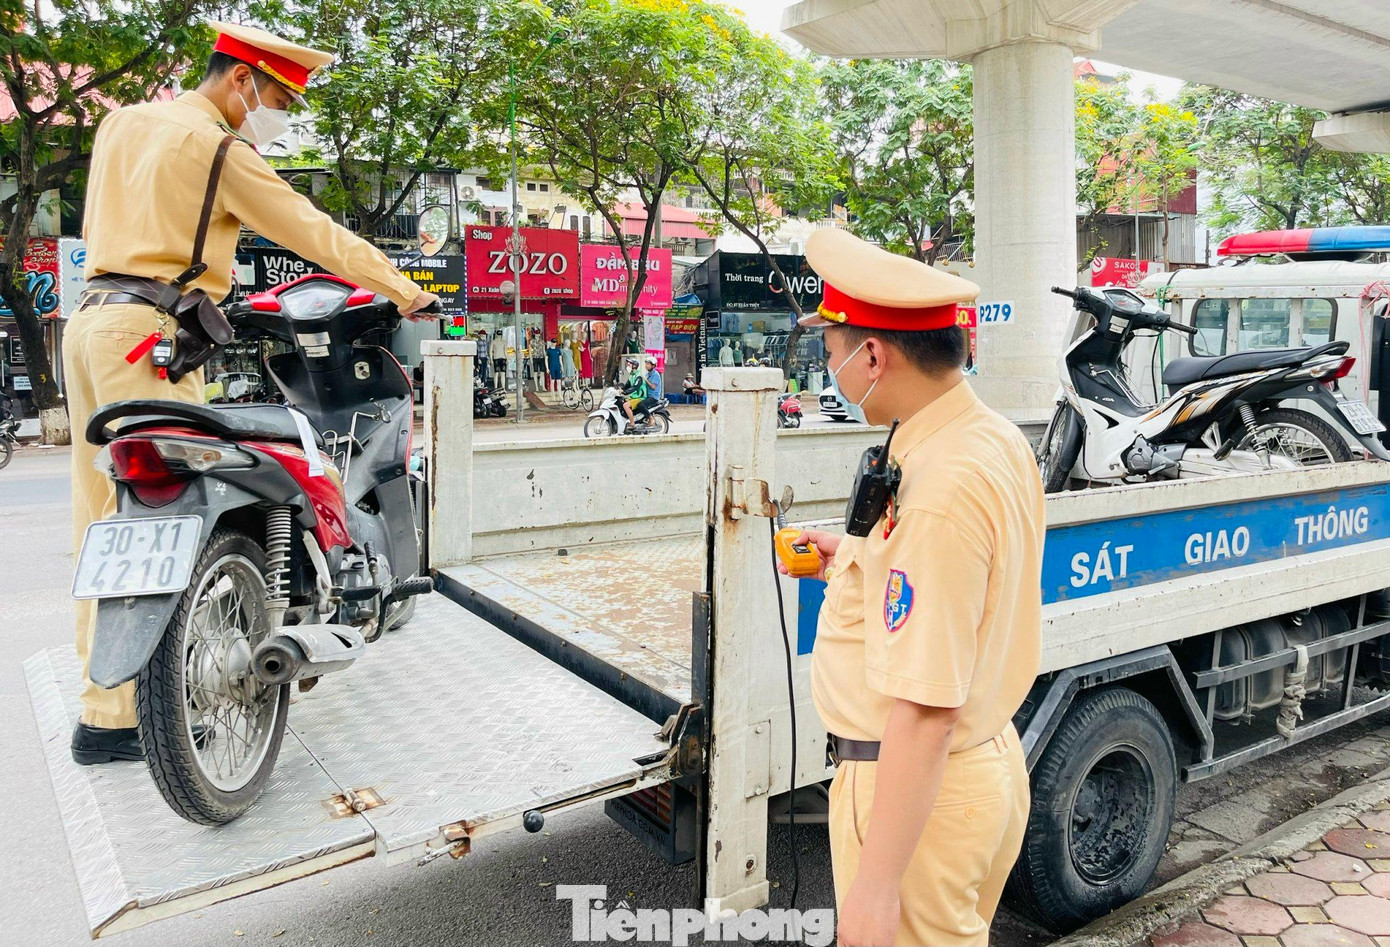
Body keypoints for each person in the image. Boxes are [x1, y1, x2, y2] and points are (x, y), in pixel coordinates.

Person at [67, 21, 438, 766]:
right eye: (274, 97)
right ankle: (153, 712)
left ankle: (104, 712)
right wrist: (404, 291)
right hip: (153, 338)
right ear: (240, 79)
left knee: (106, 520)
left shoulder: (121, 123)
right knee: (172, 522)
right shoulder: (219, 149)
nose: (274, 118)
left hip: (89, 328)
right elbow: (312, 231)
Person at [781, 228, 1044, 946]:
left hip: (916, 799)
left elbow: (926, 709)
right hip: (973, 768)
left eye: (832, 353)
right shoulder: (980, 436)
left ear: (873, 355)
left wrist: (875, 886)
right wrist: (850, 556)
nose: (829, 369)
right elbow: (947, 584)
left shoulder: (940, 487)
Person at [620, 357, 647, 427]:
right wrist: (617, 389)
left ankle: (632, 423)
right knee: (620, 402)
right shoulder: (631, 375)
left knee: (625, 406)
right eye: (627, 365)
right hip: (634, 397)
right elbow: (626, 385)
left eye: (629, 364)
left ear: (634, 366)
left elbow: (634, 387)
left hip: (640, 397)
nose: (627, 366)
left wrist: (625, 392)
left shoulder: (639, 376)